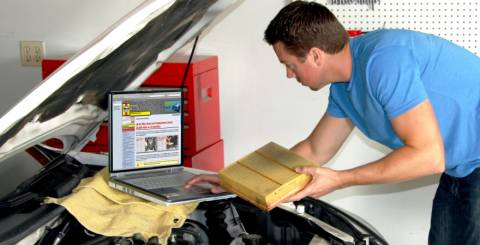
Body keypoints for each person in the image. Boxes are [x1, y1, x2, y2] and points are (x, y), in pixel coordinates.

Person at [186, 1, 480, 244]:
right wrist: (235, 181)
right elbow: (315, 149)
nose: (290, 75)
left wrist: (340, 178)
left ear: (315, 55)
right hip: (463, 170)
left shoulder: (383, 61)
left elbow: (428, 157)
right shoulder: (343, 86)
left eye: (290, 65)